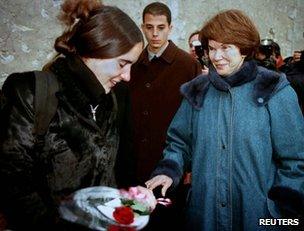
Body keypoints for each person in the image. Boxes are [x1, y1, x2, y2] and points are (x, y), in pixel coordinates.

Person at [0, 0, 156, 230]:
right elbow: (12, 183)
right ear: (94, 51)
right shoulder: (30, 91)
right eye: (122, 64)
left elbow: (112, 173)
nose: (127, 76)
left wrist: (130, 197)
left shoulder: (111, 99)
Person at [146, 9, 304, 230]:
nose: (216, 56)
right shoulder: (197, 91)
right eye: (211, 48)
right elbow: (179, 143)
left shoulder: (274, 90)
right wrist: (168, 172)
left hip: (258, 219)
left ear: (244, 49)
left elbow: (296, 161)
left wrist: (278, 215)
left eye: (225, 48)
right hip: (204, 217)